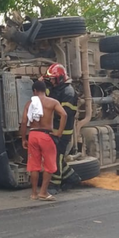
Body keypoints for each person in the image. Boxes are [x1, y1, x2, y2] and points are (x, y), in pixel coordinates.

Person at [20, 80, 65, 200]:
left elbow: (24, 122)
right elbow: (64, 114)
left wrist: (23, 138)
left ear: (34, 91)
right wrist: (59, 132)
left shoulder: (29, 104)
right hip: (46, 135)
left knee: (34, 165)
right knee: (49, 165)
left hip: (33, 135)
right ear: (45, 90)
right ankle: (43, 192)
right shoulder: (52, 102)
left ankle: (34, 193)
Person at [43, 63, 81, 194]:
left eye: (53, 79)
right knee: (55, 156)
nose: (52, 81)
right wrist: (42, 83)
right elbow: (47, 96)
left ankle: (55, 184)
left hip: (63, 131)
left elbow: (64, 114)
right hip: (54, 129)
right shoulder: (57, 88)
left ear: (59, 78)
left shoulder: (68, 92)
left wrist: (57, 131)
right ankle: (72, 177)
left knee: (56, 157)